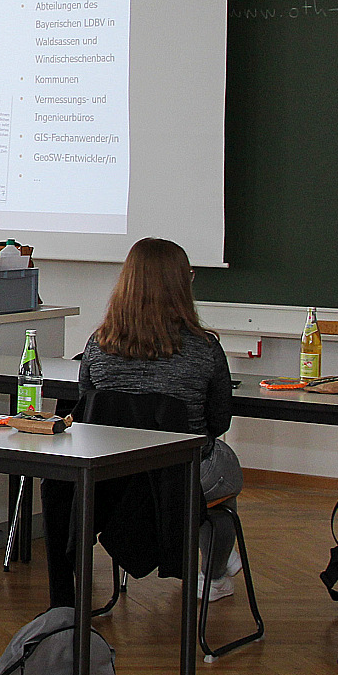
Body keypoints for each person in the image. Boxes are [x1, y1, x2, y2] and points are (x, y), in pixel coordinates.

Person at [66, 236, 244, 601]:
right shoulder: (205, 347)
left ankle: (215, 569)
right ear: (181, 285)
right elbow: (220, 420)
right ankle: (214, 574)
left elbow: (86, 408)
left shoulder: (97, 344)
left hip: (113, 476)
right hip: (180, 476)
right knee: (227, 468)